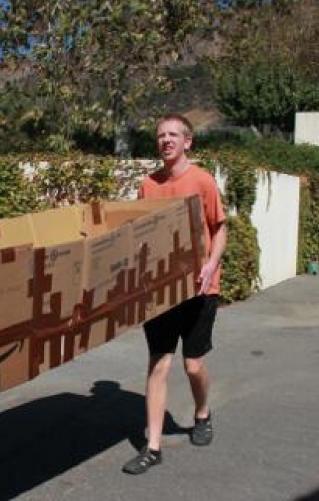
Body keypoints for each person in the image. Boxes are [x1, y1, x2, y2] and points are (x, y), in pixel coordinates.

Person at [122, 113, 227, 475]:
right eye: (161, 135)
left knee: (192, 364)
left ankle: (202, 413)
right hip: (161, 292)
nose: (165, 140)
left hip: (199, 290)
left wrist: (211, 264)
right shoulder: (148, 185)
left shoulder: (202, 181)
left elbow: (220, 229)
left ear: (188, 141)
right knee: (158, 364)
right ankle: (152, 447)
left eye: (173, 135)